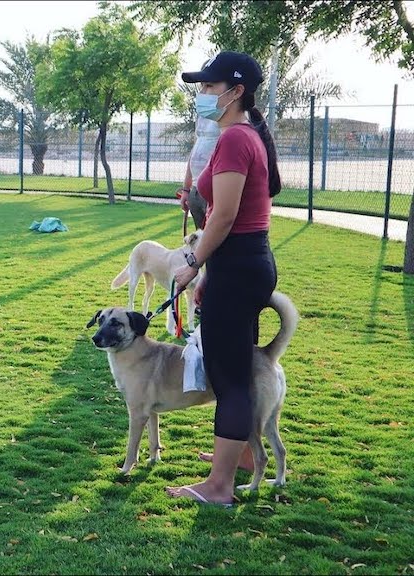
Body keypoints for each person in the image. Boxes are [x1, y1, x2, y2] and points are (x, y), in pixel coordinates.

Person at [168, 51, 282, 506]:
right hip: (238, 265)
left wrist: (194, 262)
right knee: (230, 370)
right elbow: (219, 210)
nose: (202, 96)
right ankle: (239, 458)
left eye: (209, 88)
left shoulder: (237, 139)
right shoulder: (240, 134)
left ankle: (219, 487)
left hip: (238, 264)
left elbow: (225, 215)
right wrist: (208, 274)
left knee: (230, 377)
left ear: (235, 92)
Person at [178, 110, 221, 230]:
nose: (203, 92)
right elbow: (196, 148)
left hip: (214, 190)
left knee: (214, 238)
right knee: (200, 236)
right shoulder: (203, 114)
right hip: (196, 190)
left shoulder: (228, 115)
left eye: (208, 89)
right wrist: (186, 189)